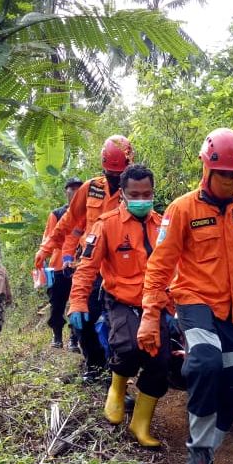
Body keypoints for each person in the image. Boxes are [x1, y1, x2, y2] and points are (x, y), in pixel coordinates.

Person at [137, 127, 233, 464]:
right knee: (205, 363)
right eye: (223, 173)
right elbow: (160, 264)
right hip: (193, 300)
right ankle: (189, 375)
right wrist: (149, 312)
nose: (229, 181)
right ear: (207, 169)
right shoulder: (182, 209)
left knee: (230, 389)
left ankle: (204, 454)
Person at [69, 164, 167, 447]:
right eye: (134, 194)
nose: (141, 199)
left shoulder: (162, 225)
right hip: (120, 299)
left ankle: (141, 424)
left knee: (159, 361)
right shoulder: (106, 224)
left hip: (155, 302)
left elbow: (175, 266)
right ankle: (117, 387)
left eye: (146, 194)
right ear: (122, 194)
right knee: (128, 346)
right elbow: (87, 267)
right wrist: (77, 302)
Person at [35, 135, 134, 380]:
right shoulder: (90, 188)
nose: (115, 179)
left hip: (122, 265)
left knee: (118, 322)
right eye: (111, 174)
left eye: (119, 174)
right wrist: (47, 249)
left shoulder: (134, 191)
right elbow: (69, 222)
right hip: (89, 263)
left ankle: (117, 371)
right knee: (82, 318)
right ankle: (95, 366)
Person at [41, 176, 84, 350]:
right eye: (71, 188)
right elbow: (49, 239)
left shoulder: (89, 212)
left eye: (78, 188)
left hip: (82, 266)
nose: (75, 192)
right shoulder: (57, 214)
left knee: (79, 302)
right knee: (57, 303)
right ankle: (57, 335)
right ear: (66, 191)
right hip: (59, 266)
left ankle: (74, 338)